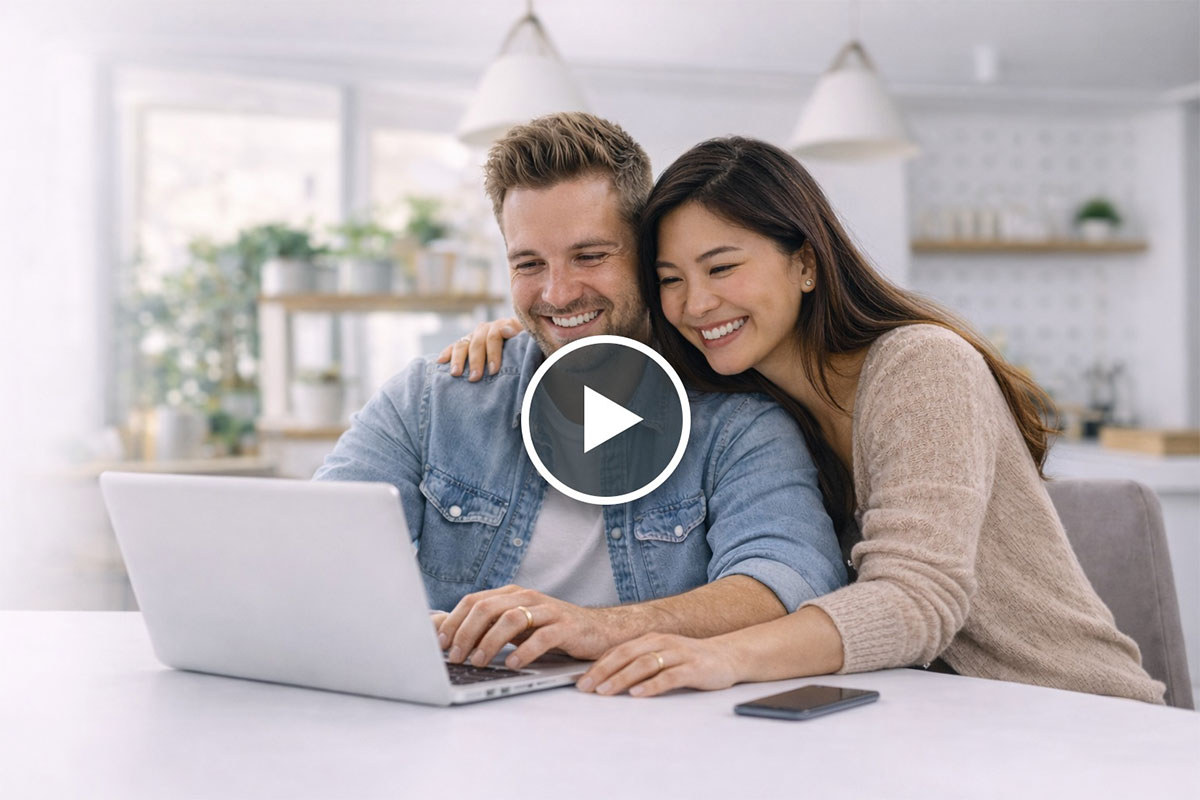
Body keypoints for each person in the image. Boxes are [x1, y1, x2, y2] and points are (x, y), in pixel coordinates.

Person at [448, 135, 1164, 704]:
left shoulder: (921, 364)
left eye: (723, 268)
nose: (696, 304)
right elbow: (595, 330)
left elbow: (916, 600)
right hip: (933, 718)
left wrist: (721, 655)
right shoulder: (747, 397)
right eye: (671, 279)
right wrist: (517, 339)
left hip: (1074, 717)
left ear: (807, 264)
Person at [314, 115, 845, 675]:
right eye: (529, 264)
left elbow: (787, 578)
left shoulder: (735, 420)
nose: (558, 293)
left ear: (646, 254)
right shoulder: (432, 399)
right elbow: (318, 546)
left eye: (590, 256)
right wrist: (408, 630)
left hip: (654, 721)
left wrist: (600, 627)